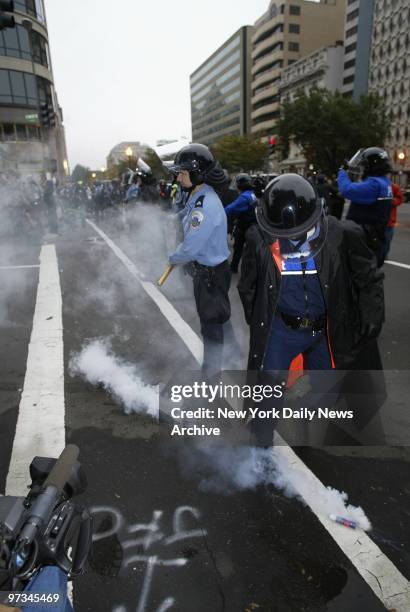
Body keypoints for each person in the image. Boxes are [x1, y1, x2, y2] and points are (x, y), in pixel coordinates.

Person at [238, 173, 385, 445]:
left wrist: (372, 314)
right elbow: (247, 286)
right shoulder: (258, 239)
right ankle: (260, 447)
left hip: (326, 330)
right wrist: (260, 321)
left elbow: (369, 277)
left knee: (328, 390)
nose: (290, 240)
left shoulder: (341, 235)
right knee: (267, 394)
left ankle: (306, 413)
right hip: (281, 330)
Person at [168, 143, 231, 376]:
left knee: (211, 324)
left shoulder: (204, 205)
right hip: (209, 271)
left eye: (183, 173)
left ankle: (212, 374)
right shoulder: (198, 195)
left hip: (210, 274)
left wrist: (173, 257)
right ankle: (228, 357)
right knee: (217, 319)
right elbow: (186, 216)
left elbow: (191, 247)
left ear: (197, 174)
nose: (179, 178)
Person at [337, 147, 393, 266]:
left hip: (364, 240)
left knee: (359, 277)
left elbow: (346, 190)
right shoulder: (385, 182)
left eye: (364, 166)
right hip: (374, 238)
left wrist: (342, 172)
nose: (362, 169)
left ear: (371, 166)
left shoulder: (374, 185)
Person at [224, 173, 257, 273]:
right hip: (253, 227)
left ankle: (234, 268)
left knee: (238, 248)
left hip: (244, 227)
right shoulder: (252, 194)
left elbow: (230, 209)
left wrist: (217, 213)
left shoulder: (244, 197)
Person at [382, 181, 403, 262]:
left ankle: (384, 254)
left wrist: (391, 201)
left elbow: (399, 199)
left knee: (387, 239)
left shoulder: (393, 186)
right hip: (376, 218)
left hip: (389, 219)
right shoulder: (373, 185)